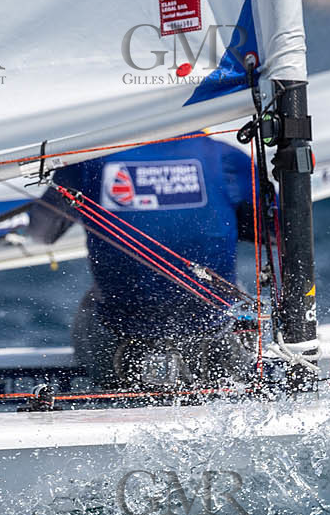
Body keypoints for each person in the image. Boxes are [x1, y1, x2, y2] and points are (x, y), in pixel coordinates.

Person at [26, 134, 258, 389]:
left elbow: (40, 234)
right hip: (216, 345)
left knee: (93, 301)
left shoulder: (88, 158)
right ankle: (237, 372)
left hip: (120, 352)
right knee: (234, 294)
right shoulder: (224, 156)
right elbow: (269, 229)